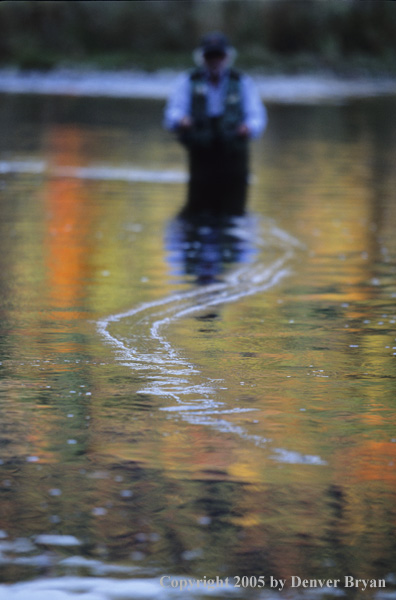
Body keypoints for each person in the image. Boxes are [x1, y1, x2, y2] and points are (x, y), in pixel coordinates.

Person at [164, 31, 267, 219]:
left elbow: (257, 117)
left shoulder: (242, 82)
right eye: (210, 56)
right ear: (201, 57)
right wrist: (181, 120)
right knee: (198, 210)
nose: (214, 60)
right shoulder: (188, 81)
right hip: (201, 155)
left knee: (234, 212)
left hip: (234, 155)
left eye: (218, 55)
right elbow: (172, 113)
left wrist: (248, 128)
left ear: (227, 57)